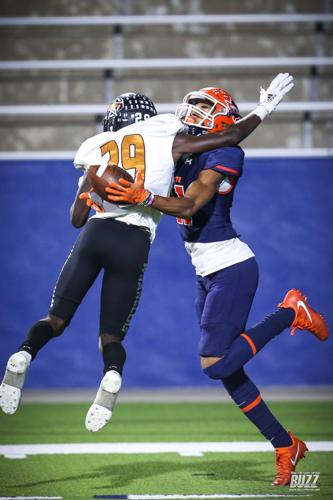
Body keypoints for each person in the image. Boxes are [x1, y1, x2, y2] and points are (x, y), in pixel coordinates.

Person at [0, 74, 293, 434]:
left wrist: (102, 192)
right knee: (112, 337)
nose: (194, 113)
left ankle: (25, 351)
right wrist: (264, 108)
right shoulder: (167, 138)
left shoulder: (98, 147)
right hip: (137, 240)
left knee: (56, 319)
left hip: (100, 232)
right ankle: (111, 377)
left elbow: (77, 218)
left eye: (204, 108)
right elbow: (227, 137)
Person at [105, 83, 329, 486]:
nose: (193, 111)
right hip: (206, 271)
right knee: (228, 371)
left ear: (222, 116)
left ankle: (290, 312)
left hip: (231, 267)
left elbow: (190, 204)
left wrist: (143, 196)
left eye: (204, 106)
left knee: (217, 364)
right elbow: (141, 171)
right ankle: (285, 445)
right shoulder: (182, 148)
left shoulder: (225, 152)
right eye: (193, 104)